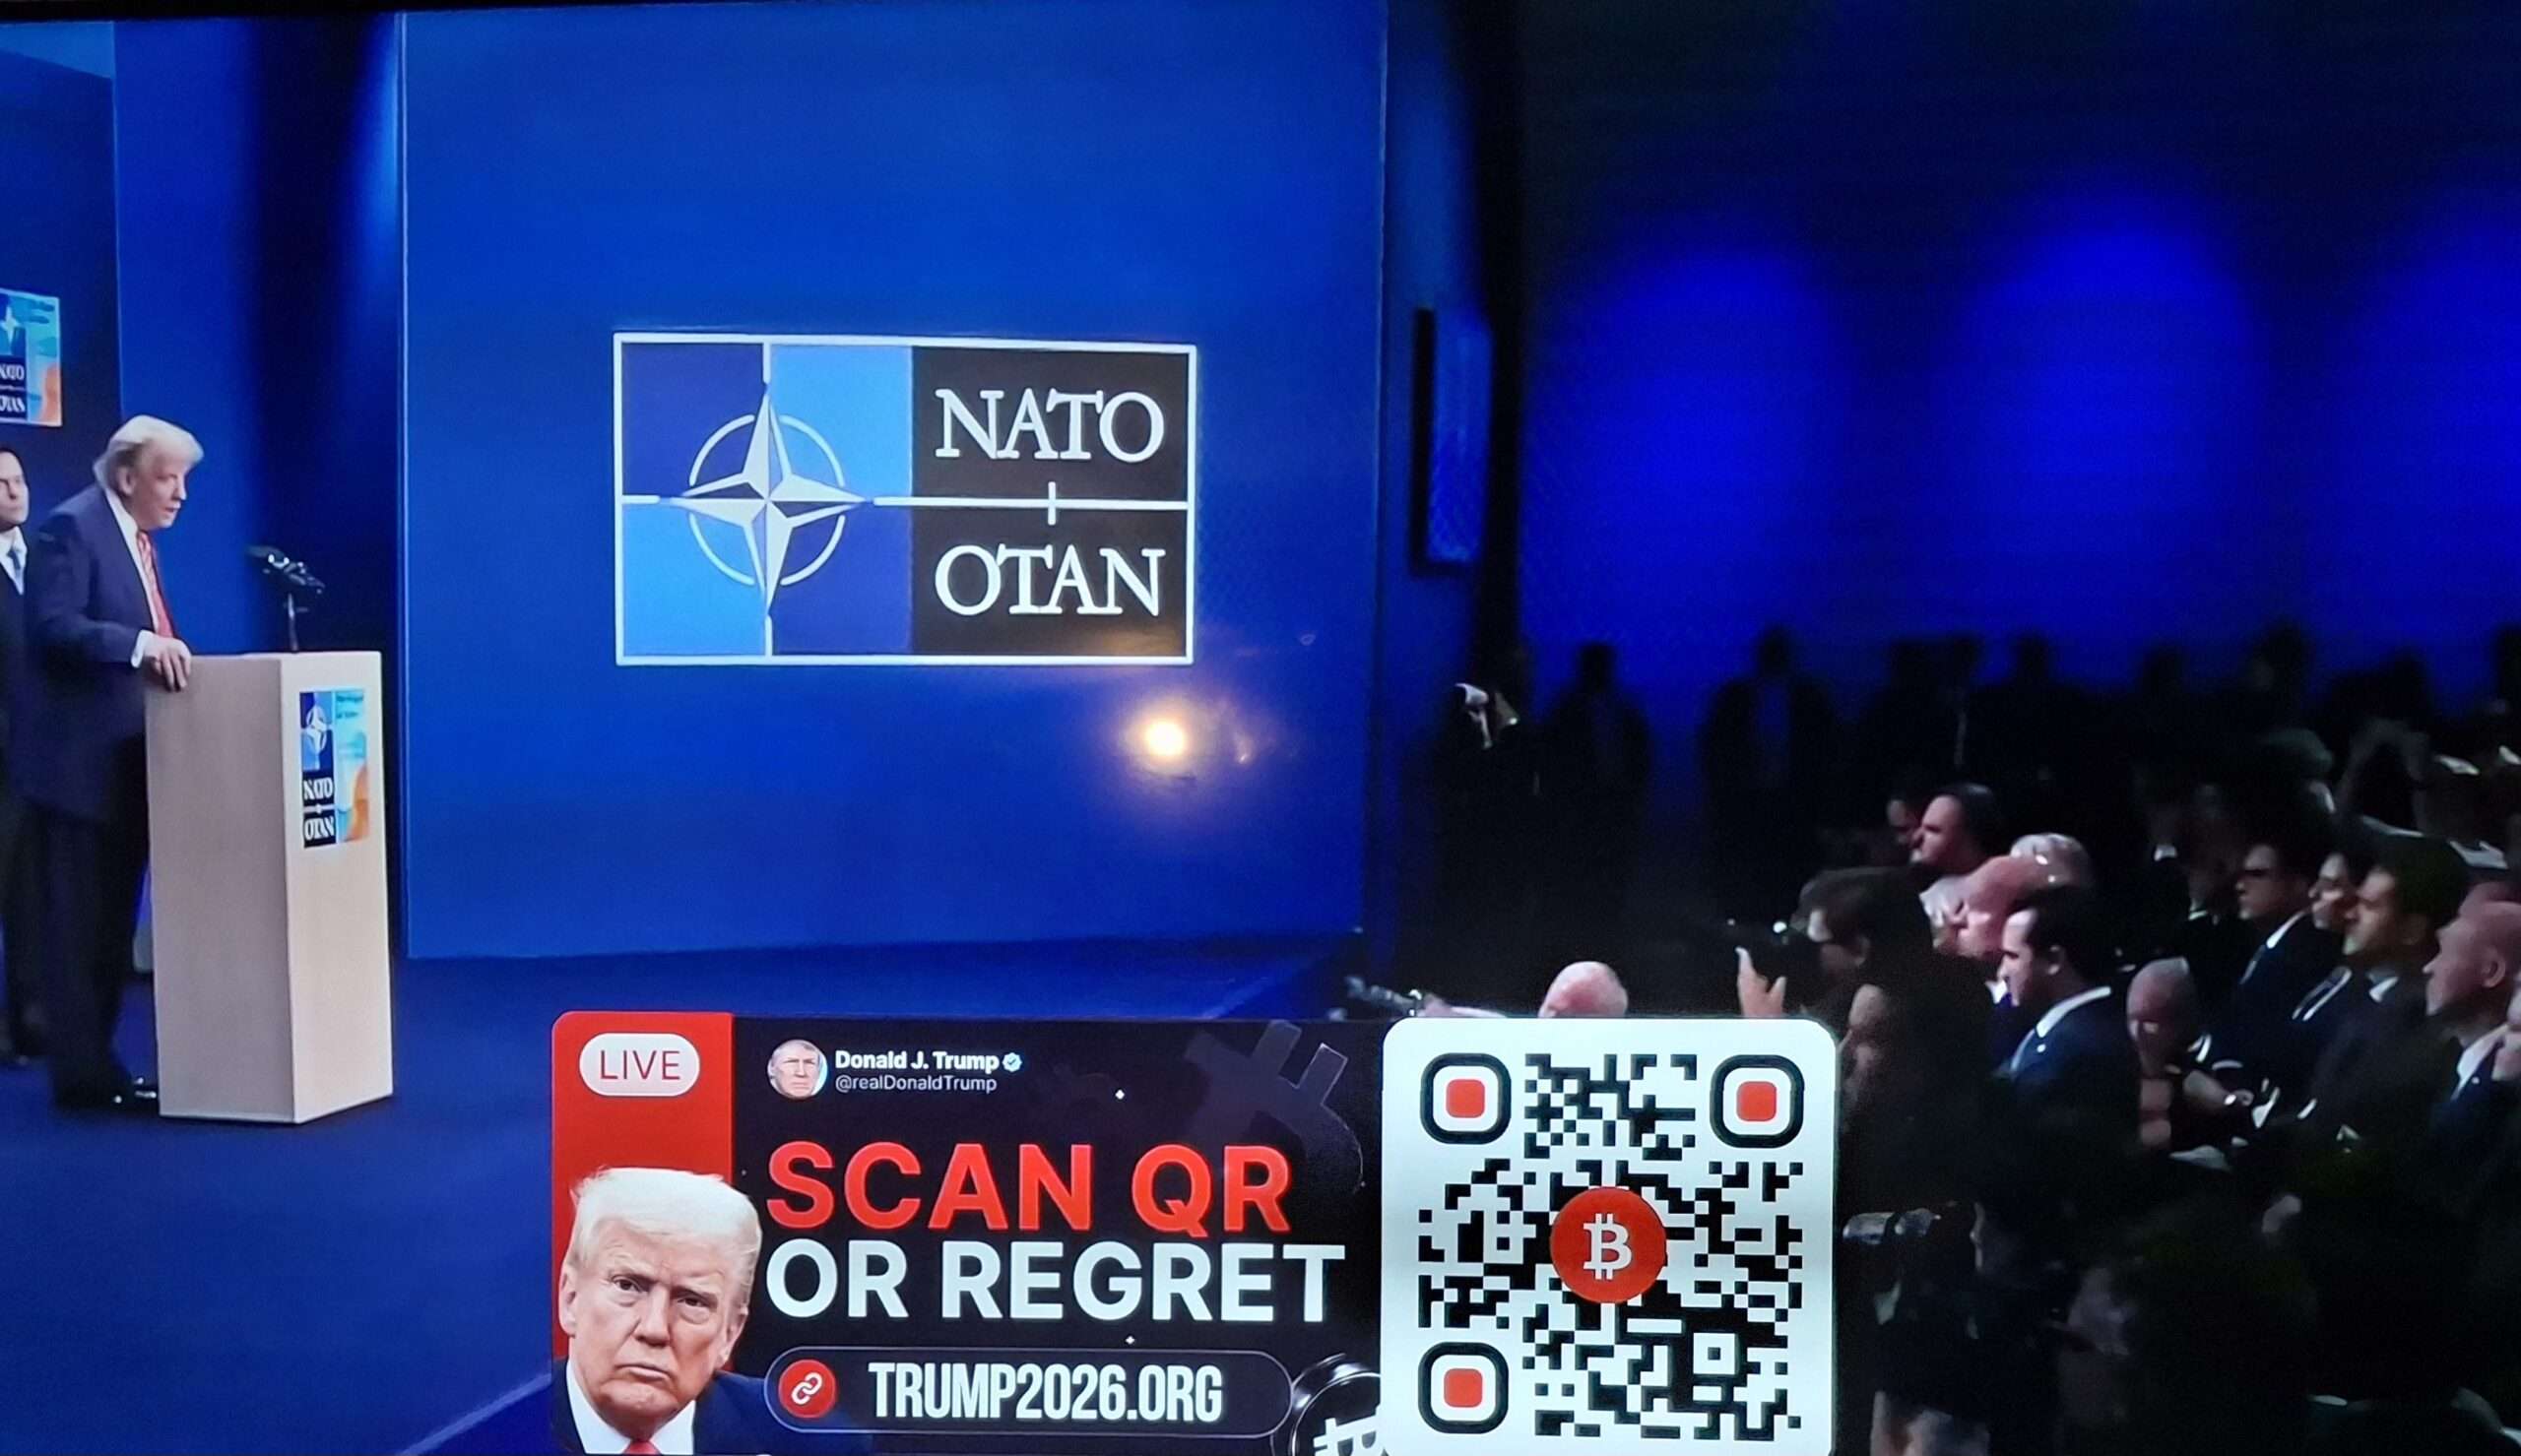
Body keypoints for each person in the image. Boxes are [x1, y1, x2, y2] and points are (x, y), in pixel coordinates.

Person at [16, 417, 200, 1113]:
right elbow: (54, 627)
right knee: (78, 933)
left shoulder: (137, 541)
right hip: (75, 774)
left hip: (126, 771)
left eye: (183, 479)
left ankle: (100, 1068)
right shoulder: (72, 528)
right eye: (167, 477)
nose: (180, 493)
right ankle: (81, 1078)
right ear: (126, 476)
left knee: (110, 932)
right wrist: (139, 646)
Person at [554, 1167, 864, 1454]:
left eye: (692, 1301)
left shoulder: (814, 1443)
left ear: (730, 1333)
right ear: (571, 1298)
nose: (654, 1329)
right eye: (628, 1286)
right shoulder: (520, 1426)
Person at [0, 447, 36, 1066]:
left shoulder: (47, 561)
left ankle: (35, 1018)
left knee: (37, 897)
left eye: (19, 479)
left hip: (46, 761)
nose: (13, 491)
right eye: (0, 483)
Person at [1913, 783, 2002, 930]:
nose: (1916, 838)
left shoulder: (2007, 895)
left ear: (1970, 838)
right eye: (1920, 827)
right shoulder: (1925, 900)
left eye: (1933, 831)